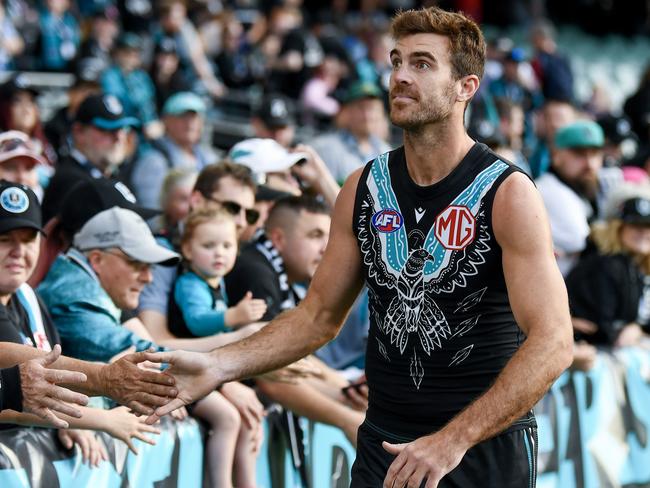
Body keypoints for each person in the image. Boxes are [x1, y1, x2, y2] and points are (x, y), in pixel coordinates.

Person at [146, 7, 574, 487]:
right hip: (385, 447)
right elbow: (316, 318)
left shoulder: (509, 193)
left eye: (422, 64)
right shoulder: (362, 186)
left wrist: (452, 440)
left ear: (465, 87)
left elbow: (554, 341)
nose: (400, 77)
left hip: (480, 452)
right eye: (396, 61)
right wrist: (218, 365)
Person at [0, 180, 177, 427]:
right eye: (4, 238)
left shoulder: (28, 295)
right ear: (96, 260)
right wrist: (98, 410)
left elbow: (31, 386)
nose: (19, 251)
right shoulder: (71, 294)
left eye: (29, 240)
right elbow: (8, 359)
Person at [566, 185, 650, 347]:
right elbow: (604, 330)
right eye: (636, 225)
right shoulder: (605, 263)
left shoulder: (633, 263)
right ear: (617, 227)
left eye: (648, 226)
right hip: (584, 350)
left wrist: (638, 328)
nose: (644, 233)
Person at [41, 93, 140, 223]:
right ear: (78, 132)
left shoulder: (113, 174)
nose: (118, 137)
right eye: (106, 129)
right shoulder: (71, 181)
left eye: (122, 129)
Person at [171, 207, 267, 338]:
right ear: (188, 250)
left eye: (227, 246)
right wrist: (234, 315)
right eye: (208, 245)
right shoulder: (190, 284)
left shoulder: (217, 280)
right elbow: (197, 323)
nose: (219, 253)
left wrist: (241, 317)